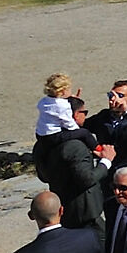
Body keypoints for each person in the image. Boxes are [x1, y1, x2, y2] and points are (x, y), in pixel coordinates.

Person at [34, 85, 109, 234]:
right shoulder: (76, 146)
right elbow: (87, 179)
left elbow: (43, 176)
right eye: (84, 112)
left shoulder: (42, 145)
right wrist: (106, 162)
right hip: (85, 211)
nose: (85, 116)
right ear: (74, 115)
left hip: (62, 208)